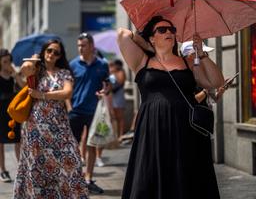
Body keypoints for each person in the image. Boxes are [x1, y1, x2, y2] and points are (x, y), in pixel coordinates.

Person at [117, 15, 224, 199]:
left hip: (185, 130)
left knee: (185, 176)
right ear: (151, 37)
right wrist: (149, 47)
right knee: (150, 176)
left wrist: (202, 54)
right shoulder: (142, 61)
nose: (169, 32)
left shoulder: (188, 61)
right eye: (162, 30)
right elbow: (122, 34)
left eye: (172, 30)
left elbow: (215, 82)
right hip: (152, 130)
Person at [13, 39, 88, 198]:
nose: (52, 54)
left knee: (71, 157)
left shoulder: (64, 73)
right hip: (36, 125)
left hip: (59, 123)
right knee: (37, 163)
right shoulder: (36, 71)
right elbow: (24, 69)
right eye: (49, 51)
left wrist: (42, 95)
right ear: (44, 52)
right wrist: (34, 59)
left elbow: (67, 93)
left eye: (56, 52)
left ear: (60, 56)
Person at [68, 32, 109, 194]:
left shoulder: (102, 64)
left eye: (83, 45)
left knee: (92, 145)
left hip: (95, 111)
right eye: (78, 45)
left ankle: (88, 179)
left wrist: (105, 90)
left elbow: (107, 84)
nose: (80, 48)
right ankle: (74, 178)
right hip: (75, 111)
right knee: (72, 146)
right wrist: (68, 107)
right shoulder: (72, 65)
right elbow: (68, 87)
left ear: (92, 46)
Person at [0, 49, 24, 182]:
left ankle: (21, 169)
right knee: (0, 143)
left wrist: (16, 76)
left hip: (13, 112)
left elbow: (24, 86)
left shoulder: (14, 75)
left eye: (9, 61)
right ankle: (3, 170)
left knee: (17, 140)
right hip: (0, 112)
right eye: (4, 62)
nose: (7, 64)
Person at [109, 59, 126, 140]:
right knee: (114, 117)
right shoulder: (112, 73)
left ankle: (121, 135)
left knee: (120, 117)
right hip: (113, 96)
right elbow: (111, 83)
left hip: (119, 95)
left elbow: (120, 83)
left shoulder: (121, 72)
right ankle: (116, 135)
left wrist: (114, 73)